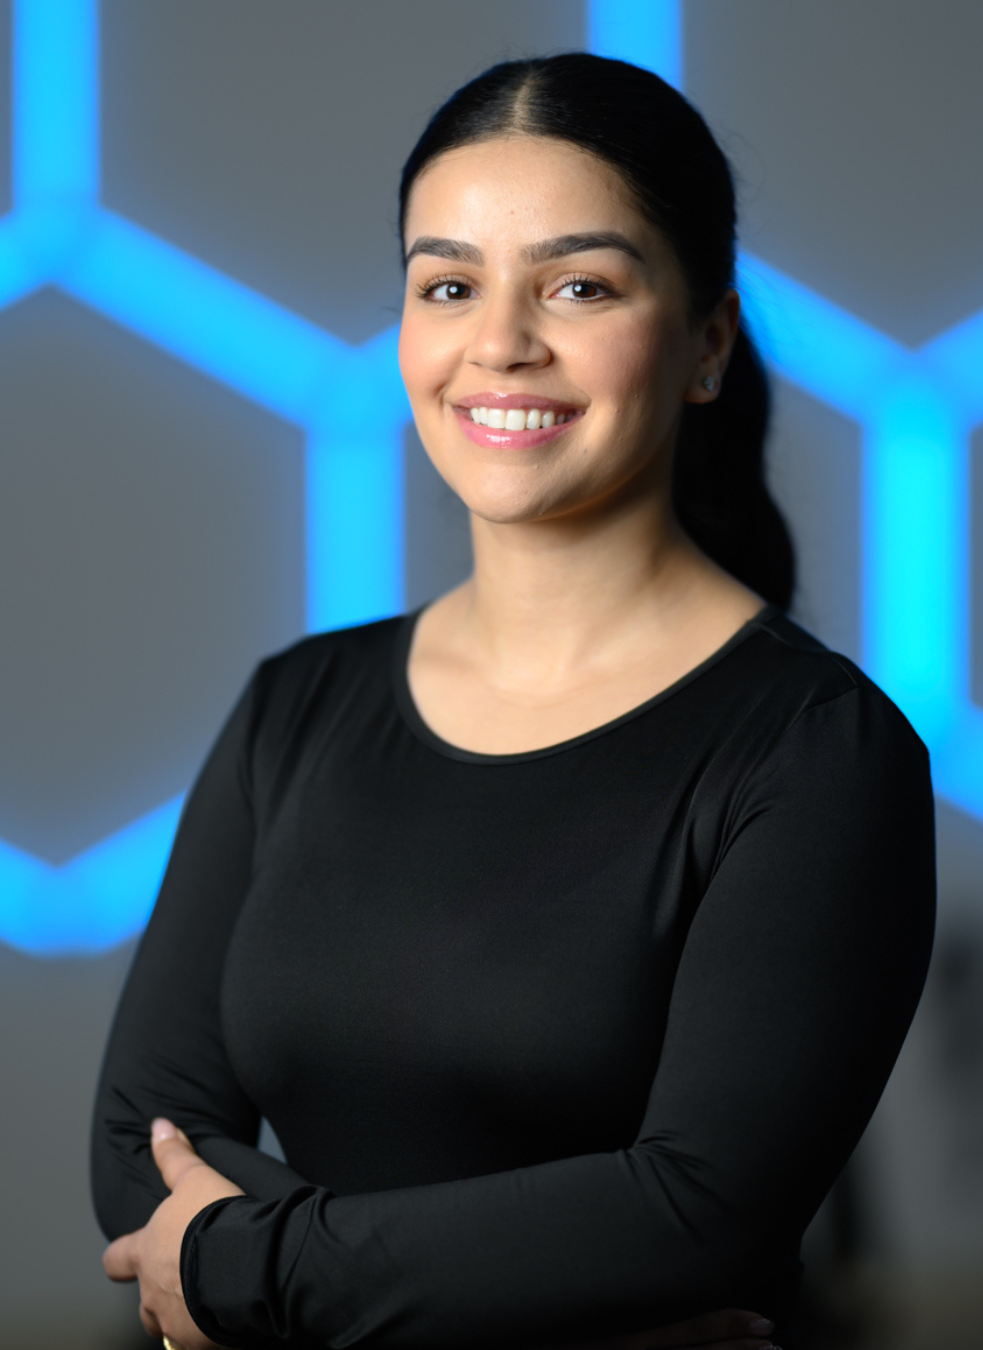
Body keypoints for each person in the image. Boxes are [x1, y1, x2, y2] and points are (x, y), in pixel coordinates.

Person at [92, 54, 935, 1350]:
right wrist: (558, 1308)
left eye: (580, 284)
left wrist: (254, 1272)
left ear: (706, 340)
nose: (499, 342)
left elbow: (698, 1207)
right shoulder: (297, 705)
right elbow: (141, 1154)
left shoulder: (819, 749)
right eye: (448, 285)